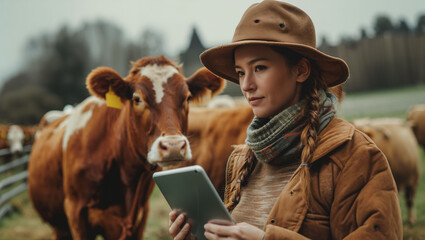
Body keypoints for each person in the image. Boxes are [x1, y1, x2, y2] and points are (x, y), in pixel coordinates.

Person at [169, 0, 403, 239]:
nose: (246, 85)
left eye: (259, 68)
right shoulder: (241, 160)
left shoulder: (357, 157)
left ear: (301, 70)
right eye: (240, 72)